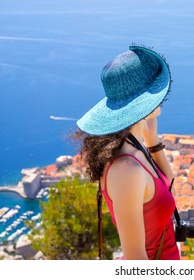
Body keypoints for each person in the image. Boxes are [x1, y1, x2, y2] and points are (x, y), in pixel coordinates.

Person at [74, 45, 180, 260]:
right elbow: (134, 259)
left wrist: (153, 140)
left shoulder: (133, 147)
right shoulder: (126, 169)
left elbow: (165, 185)